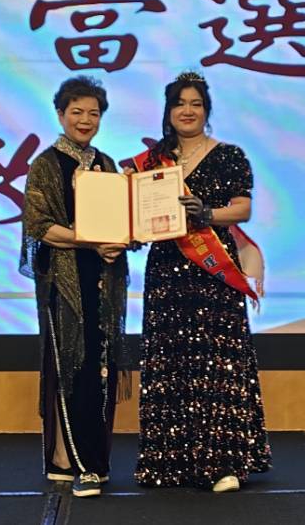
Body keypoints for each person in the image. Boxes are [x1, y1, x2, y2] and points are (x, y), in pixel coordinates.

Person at [129, 71, 272, 492]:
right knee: (170, 359)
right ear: (168, 110)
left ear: (206, 111)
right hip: (166, 268)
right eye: (179, 103)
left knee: (216, 360)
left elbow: (242, 209)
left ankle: (222, 463)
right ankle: (168, 463)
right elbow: (135, 212)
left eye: (195, 103)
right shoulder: (152, 160)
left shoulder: (229, 155)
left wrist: (206, 214)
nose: (187, 111)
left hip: (212, 271)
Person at [20, 75, 129, 498]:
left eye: (94, 113)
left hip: (103, 282)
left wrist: (121, 241)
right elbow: (39, 226)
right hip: (64, 282)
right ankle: (72, 461)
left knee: (99, 370)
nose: (85, 120)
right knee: (70, 368)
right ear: (60, 114)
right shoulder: (46, 164)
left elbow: (119, 222)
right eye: (77, 112)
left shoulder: (107, 164)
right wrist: (90, 241)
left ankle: (90, 460)